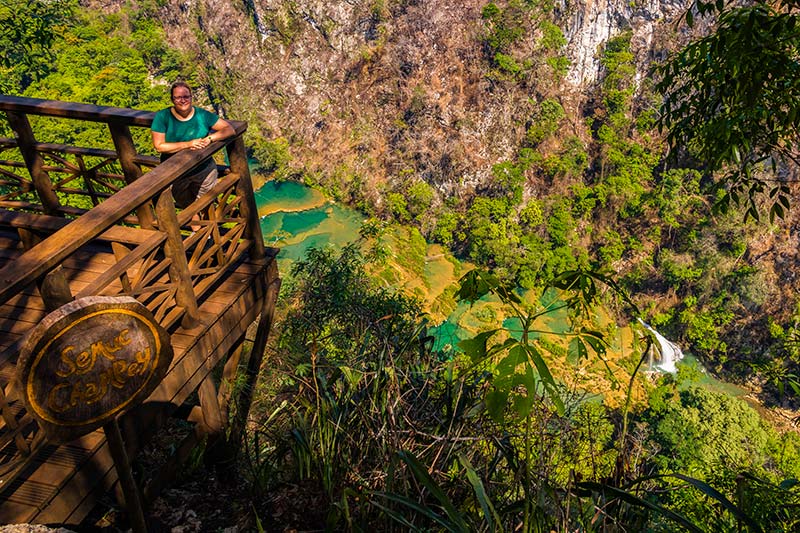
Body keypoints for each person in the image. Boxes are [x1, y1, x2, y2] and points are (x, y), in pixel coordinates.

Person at [151, 81, 235, 208]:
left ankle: (205, 226)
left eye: (186, 96)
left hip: (204, 169)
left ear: (191, 97)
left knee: (206, 203)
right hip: (176, 172)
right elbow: (159, 146)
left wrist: (210, 138)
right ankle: (197, 228)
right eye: (178, 97)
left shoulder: (202, 115)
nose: (182, 100)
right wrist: (188, 144)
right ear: (172, 99)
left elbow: (229, 130)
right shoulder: (163, 117)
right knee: (186, 205)